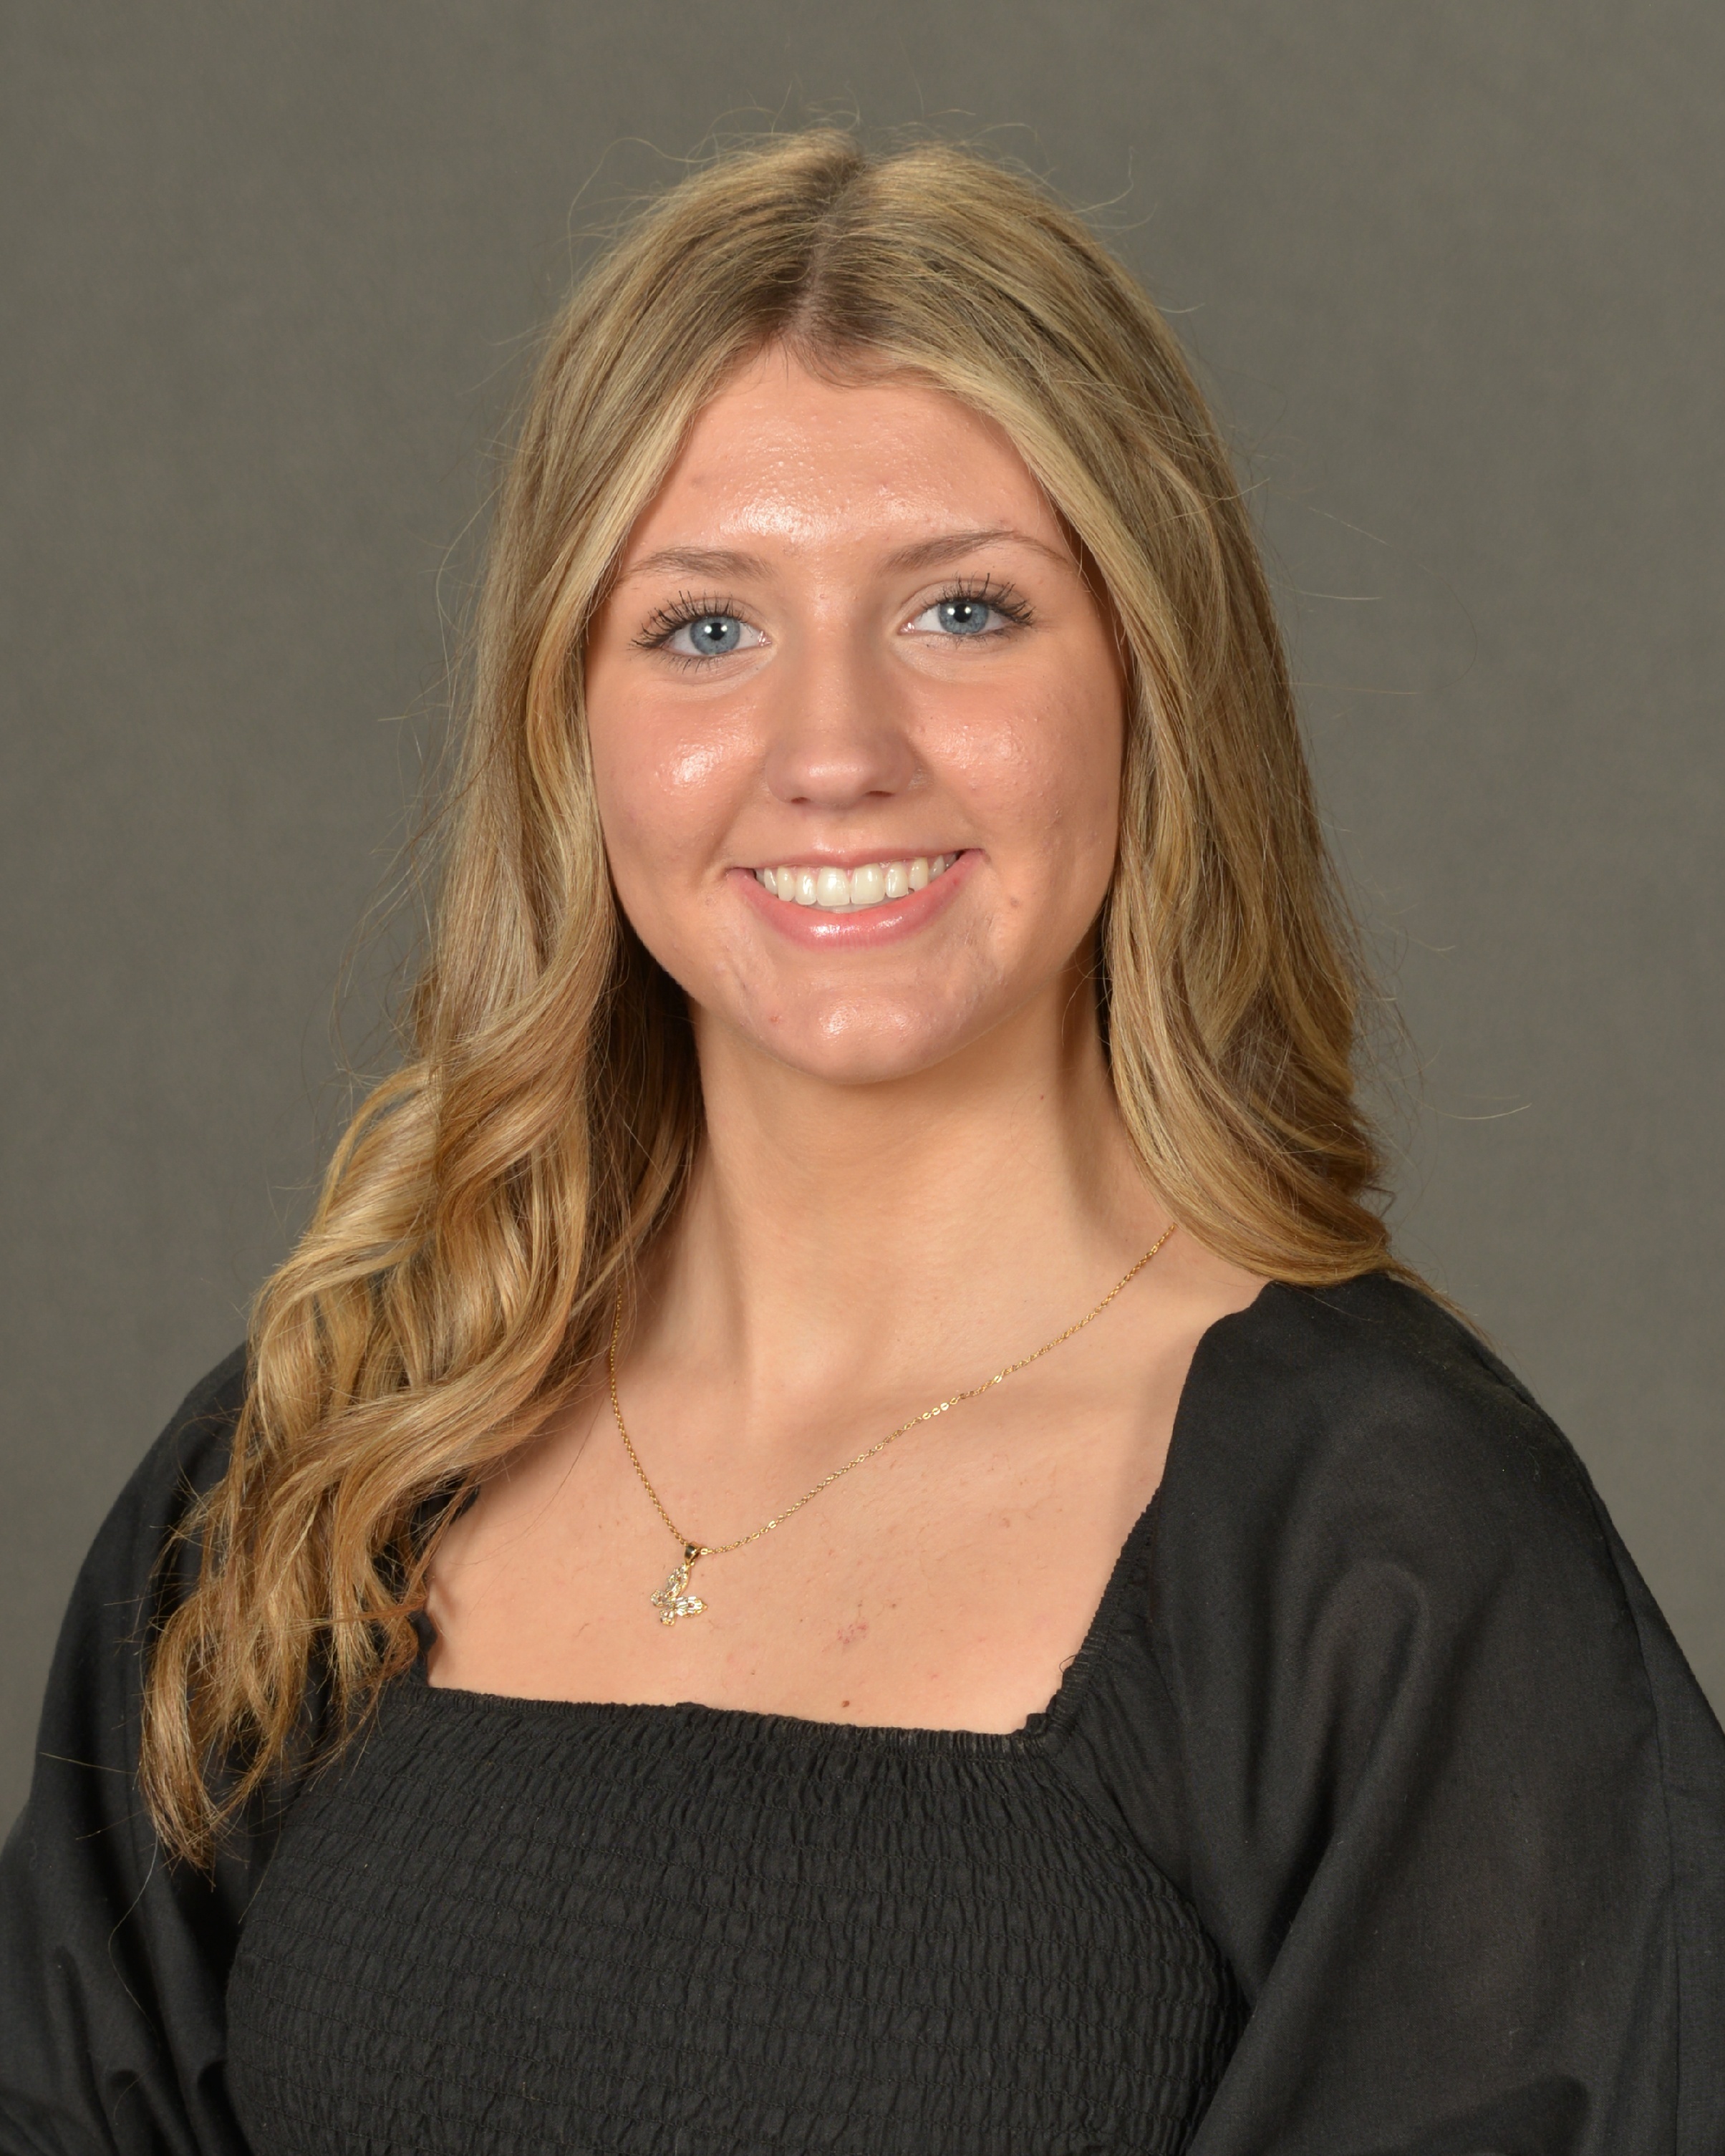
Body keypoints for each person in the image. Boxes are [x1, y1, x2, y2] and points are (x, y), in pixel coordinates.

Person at [2, 127, 1721, 2156]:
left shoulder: (1392, 1559)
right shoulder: (313, 1469)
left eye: (964, 611)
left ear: (1152, 678)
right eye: (703, 628)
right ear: (569, 722)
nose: (834, 753)